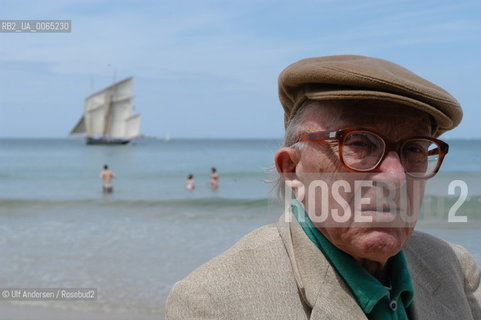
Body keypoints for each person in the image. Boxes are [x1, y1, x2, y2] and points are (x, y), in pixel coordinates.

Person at [165, 55, 481, 319]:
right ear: (292, 169)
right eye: (360, 143)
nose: (396, 177)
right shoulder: (212, 302)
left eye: (414, 149)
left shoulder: (455, 267)